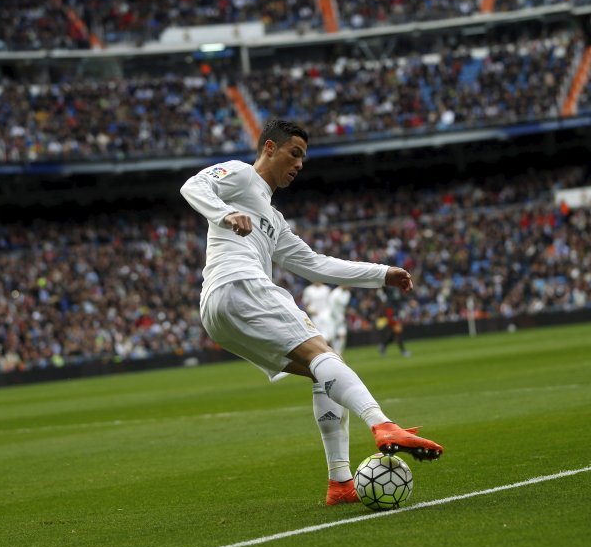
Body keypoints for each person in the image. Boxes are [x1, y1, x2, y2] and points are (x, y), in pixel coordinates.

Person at [180, 118, 442, 506]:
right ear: (270, 148)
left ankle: (340, 484)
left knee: (325, 374)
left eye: (304, 157)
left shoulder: (274, 222)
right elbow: (192, 185)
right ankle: (383, 425)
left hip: (219, 313)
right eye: (295, 153)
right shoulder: (240, 174)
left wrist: (380, 274)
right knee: (326, 358)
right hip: (239, 284)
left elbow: (317, 265)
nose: (300, 164)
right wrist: (222, 214)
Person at [318, 285, 351, 354]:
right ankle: (326, 353)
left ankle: (339, 353)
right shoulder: (335, 293)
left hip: (340, 318)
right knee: (330, 338)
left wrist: (343, 316)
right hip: (331, 318)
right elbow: (331, 307)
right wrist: (338, 317)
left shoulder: (348, 293)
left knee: (343, 335)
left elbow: (344, 307)